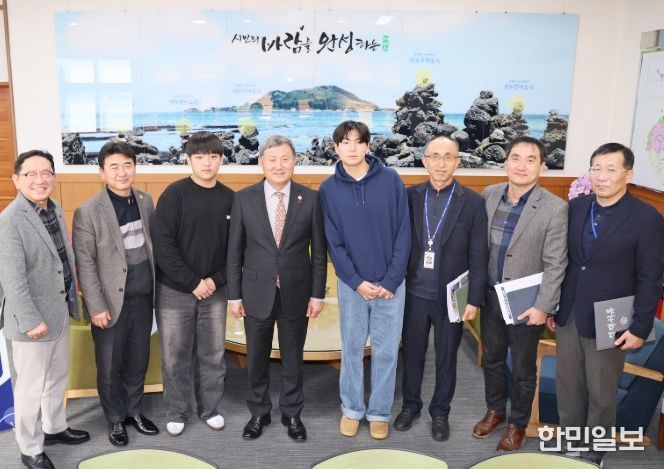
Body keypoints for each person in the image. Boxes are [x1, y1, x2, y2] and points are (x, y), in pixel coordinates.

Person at [554, 143, 664, 467]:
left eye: (611, 169)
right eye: (596, 168)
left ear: (629, 174)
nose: (602, 176)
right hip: (570, 311)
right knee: (568, 385)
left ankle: (594, 452)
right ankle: (571, 444)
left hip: (612, 315)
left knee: (602, 392)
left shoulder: (647, 218)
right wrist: (555, 306)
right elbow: (567, 262)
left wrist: (640, 327)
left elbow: (650, 278)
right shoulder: (576, 207)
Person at [227, 135, 326, 442]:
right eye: (272, 160)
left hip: (297, 293)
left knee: (293, 358)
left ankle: (292, 413)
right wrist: (234, 295)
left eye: (285, 159)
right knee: (256, 358)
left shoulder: (310, 199)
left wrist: (317, 294)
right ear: (262, 163)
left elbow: (319, 253)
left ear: (294, 161)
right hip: (255, 293)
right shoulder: (244, 199)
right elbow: (234, 252)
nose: (279, 165)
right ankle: (259, 412)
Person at [471, 136, 568, 452]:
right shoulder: (490, 194)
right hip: (490, 296)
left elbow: (556, 263)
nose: (522, 166)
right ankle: (495, 410)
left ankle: (518, 424)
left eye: (530, 160)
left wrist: (544, 306)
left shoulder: (555, 208)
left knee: (524, 369)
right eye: (516, 158)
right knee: (492, 359)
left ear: (543, 166)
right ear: (505, 162)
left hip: (527, 303)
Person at [319, 120, 410, 440]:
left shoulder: (391, 180)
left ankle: (380, 412)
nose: (352, 148)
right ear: (336, 148)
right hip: (352, 286)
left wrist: (391, 280)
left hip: (390, 286)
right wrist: (356, 281)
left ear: (368, 146)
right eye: (345, 142)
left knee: (386, 351)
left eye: (358, 141)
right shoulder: (328, 189)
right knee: (352, 349)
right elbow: (333, 241)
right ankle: (352, 408)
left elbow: (404, 232)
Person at [394, 136, 488, 441]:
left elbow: (478, 254)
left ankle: (440, 412)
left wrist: (474, 299)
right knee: (413, 355)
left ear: (458, 162)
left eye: (448, 157)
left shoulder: (472, 202)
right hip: (413, 293)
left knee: (447, 357)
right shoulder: (408, 196)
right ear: (424, 160)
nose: (441, 163)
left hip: (452, 296)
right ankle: (410, 406)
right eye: (434, 156)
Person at [0, 150, 89, 469]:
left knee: (56, 377)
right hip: (32, 322)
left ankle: (54, 427)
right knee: (29, 388)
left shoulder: (54, 208)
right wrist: (29, 320)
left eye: (46, 173)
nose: (40, 180)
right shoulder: (10, 221)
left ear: (54, 176)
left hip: (59, 311)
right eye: (31, 174)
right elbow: (11, 279)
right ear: (16, 180)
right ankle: (30, 448)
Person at [72, 140, 159, 447]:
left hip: (144, 299)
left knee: (138, 360)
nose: (122, 172)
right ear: (102, 173)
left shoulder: (146, 200)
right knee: (110, 366)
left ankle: (134, 411)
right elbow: (85, 263)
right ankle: (115, 419)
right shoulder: (87, 212)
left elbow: (154, 248)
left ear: (134, 167)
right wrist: (96, 306)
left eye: (127, 165)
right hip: (109, 304)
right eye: (114, 167)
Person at [152, 132, 234, 436]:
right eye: (199, 157)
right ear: (188, 160)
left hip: (215, 291)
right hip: (174, 291)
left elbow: (236, 250)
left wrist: (213, 280)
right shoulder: (174, 195)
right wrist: (193, 283)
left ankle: (210, 408)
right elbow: (163, 247)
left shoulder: (231, 198)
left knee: (213, 354)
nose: (207, 163)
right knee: (175, 355)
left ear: (221, 159)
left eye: (213, 156)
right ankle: (177, 410)